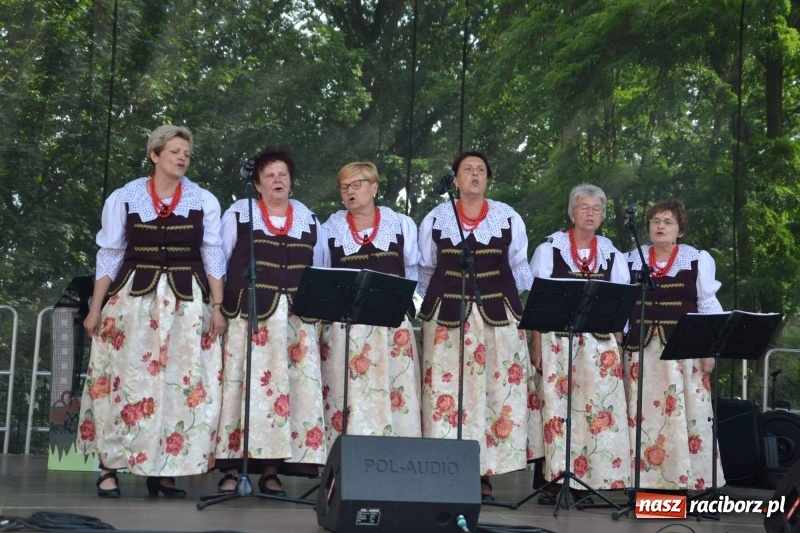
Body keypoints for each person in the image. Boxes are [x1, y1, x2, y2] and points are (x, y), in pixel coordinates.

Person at [77, 125, 226, 498]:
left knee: (180, 383)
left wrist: (218, 306)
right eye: (175, 151)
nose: (182, 158)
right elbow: (110, 253)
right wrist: (95, 308)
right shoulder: (125, 197)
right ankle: (109, 468)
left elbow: (212, 253)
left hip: (186, 304)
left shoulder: (203, 200)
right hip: (133, 301)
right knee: (122, 382)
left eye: (186, 154)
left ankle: (163, 471)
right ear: (155, 155)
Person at [418, 151, 543, 502]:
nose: (474, 175)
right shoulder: (436, 218)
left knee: (494, 393)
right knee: (448, 395)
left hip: (498, 320)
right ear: (455, 180)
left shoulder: (508, 217)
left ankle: (485, 474)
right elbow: (426, 270)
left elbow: (519, 269)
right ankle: (447, 470)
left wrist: (503, 302)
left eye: (480, 170)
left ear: (488, 179)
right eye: (466, 170)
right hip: (448, 321)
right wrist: (439, 304)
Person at [215, 147, 328, 495]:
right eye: (269, 175)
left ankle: (271, 470)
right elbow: (218, 260)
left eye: (282, 174)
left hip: (296, 322)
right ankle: (232, 468)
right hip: (250, 318)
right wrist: (218, 306)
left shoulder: (309, 219)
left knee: (287, 393)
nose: (277, 180)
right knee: (242, 389)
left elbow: (320, 267)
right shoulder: (240, 213)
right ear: (257, 185)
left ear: (290, 182)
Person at [528, 184, 632, 503]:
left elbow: (621, 304)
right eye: (584, 207)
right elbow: (536, 302)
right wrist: (535, 347)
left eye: (596, 209)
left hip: (598, 347)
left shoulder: (612, 253)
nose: (590, 213)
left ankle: (591, 482)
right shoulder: (550, 248)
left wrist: (619, 347)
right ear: (572, 212)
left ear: (602, 216)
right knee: (557, 411)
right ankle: (553, 482)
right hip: (556, 343)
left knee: (595, 411)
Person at [623, 199, 725, 491]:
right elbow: (624, 307)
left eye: (668, 222)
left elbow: (707, 304)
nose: (661, 226)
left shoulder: (696, 259)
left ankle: (686, 482)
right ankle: (644, 484)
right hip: (641, 353)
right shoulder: (633, 258)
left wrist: (709, 349)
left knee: (686, 416)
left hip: (684, 352)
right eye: (655, 221)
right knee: (644, 417)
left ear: (680, 230)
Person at [319, 162, 421, 447]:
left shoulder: (400, 224)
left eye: (357, 184)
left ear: (374, 187)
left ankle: (397, 464)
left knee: (394, 393)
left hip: (391, 328)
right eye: (344, 187)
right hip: (346, 331)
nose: (349, 192)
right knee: (348, 397)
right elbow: (324, 275)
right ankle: (344, 468)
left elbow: (412, 273)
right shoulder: (330, 229)